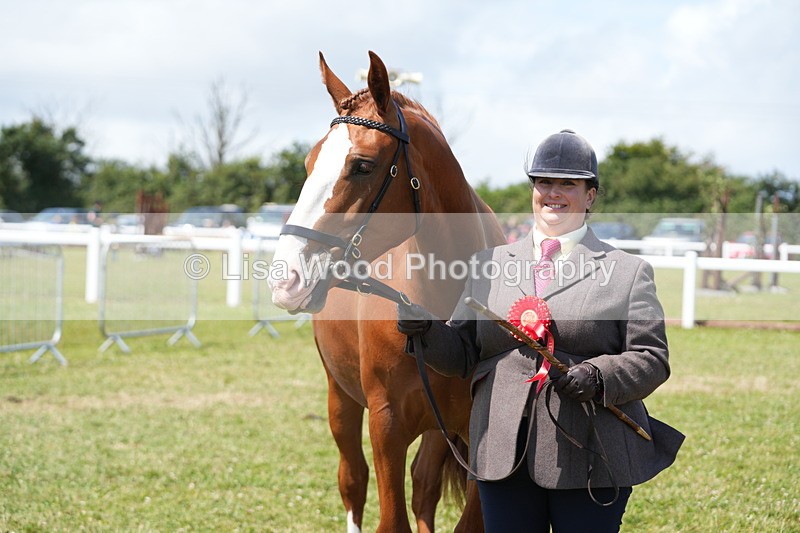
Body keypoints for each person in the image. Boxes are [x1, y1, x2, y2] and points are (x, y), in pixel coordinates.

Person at [398, 129, 684, 533]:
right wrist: (425, 332)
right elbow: (463, 353)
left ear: (590, 196)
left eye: (568, 184)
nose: (553, 193)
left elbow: (651, 359)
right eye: (544, 182)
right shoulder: (487, 264)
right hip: (502, 449)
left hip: (590, 452)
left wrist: (599, 375)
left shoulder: (627, 272)